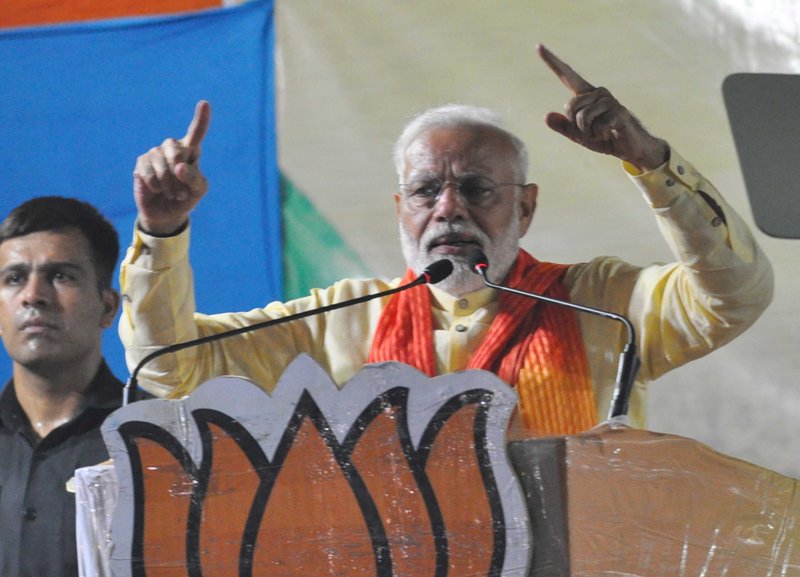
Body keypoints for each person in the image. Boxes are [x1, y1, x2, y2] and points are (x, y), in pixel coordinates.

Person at [119, 45, 773, 436]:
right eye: (427, 191)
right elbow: (171, 367)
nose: (449, 210)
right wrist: (163, 232)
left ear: (527, 204)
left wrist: (653, 163)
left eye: (477, 189)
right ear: (401, 209)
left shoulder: (601, 304)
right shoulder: (342, 319)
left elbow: (734, 296)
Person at [0, 197, 123, 577]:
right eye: (14, 278)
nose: (33, 295)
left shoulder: (148, 441)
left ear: (107, 307)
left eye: (60, 276)